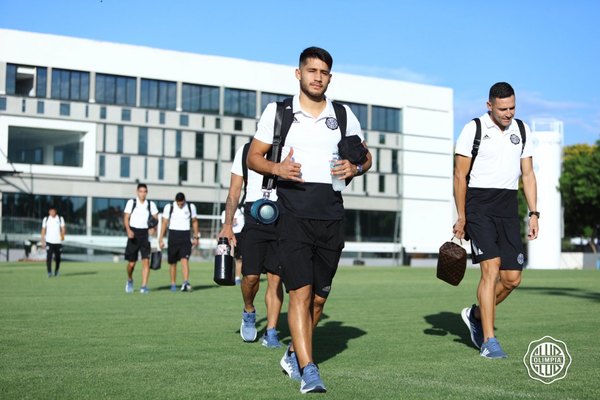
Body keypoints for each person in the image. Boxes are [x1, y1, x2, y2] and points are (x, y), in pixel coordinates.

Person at [247, 47, 372, 393]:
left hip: (331, 212)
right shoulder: (278, 112)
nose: (318, 77)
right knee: (300, 294)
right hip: (292, 211)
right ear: (298, 73)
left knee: (318, 299)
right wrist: (277, 168)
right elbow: (253, 157)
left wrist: (356, 167)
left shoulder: (344, 116)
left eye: (324, 72)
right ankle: (309, 369)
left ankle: (292, 354)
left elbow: (367, 157)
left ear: (330, 77)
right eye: (312, 70)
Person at [453, 82, 539, 359]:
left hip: (507, 207)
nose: (508, 113)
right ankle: (489, 341)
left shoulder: (522, 130)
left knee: (512, 278)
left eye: (512, 107)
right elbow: (459, 176)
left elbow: (527, 174)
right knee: (490, 270)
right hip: (478, 206)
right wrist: (462, 216)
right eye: (502, 108)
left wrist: (533, 213)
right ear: (489, 105)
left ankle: (476, 315)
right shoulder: (473, 129)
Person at [218, 142, 284, 349]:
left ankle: (271, 331)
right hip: (254, 217)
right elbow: (234, 190)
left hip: (283, 217)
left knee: (275, 278)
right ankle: (249, 311)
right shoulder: (246, 151)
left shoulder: (291, 147)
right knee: (251, 277)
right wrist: (227, 225)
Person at [159, 192, 199, 292]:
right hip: (173, 235)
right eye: (178, 204)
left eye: (182, 203)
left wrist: (196, 236)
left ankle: (185, 282)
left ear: (184, 200)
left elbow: (194, 221)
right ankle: (173, 284)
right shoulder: (169, 207)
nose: (180, 205)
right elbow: (164, 223)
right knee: (173, 263)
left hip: (185, 236)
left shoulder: (190, 207)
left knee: (184, 260)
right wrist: (160, 238)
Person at [123, 183, 159, 294]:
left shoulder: (150, 204)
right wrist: (128, 231)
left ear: (147, 192)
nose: (143, 194)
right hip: (133, 233)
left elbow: (156, 217)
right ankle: (129, 279)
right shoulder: (131, 203)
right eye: (141, 191)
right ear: (137, 192)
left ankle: (144, 286)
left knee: (146, 262)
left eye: (145, 191)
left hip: (145, 235)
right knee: (131, 264)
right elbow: (126, 217)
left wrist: (153, 227)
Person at [220, 206, 244, 284]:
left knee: (239, 258)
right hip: (230, 236)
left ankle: (237, 278)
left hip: (240, 236)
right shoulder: (225, 213)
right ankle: (228, 276)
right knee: (229, 257)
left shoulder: (241, 210)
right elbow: (224, 226)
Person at [41, 206, 66, 277]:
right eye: (51, 211)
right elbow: (43, 230)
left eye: (53, 211)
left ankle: (57, 271)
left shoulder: (60, 218)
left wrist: (62, 235)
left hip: (58, 242)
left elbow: (63, 228)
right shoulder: (46, 219)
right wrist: (42, 241)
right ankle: (49, 272)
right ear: (49, 212)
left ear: (55, 211)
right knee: (49, 257)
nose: (52, 212)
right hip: (49, 241)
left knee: (58, 258)